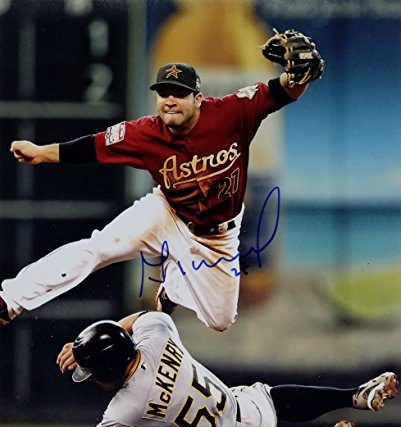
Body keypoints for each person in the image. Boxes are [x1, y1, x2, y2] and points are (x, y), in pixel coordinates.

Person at [0, 29, 324, 332]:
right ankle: (10, 300)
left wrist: (299, 75)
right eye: (163, 93)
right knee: (99, 248)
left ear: (198, 98)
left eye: (179, 94)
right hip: (167, 213)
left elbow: (284, 90)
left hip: (217, 236)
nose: (170, 100)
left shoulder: (233, 112)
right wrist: (41, 152)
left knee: (220, 321)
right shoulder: (144, 132)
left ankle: (173, 289)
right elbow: (92, 146)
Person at [12, 311, 398, 427]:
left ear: (107, 371)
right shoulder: (157, 334)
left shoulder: (126, 409)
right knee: (270, 396)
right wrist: (87, 346)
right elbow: (137, 319)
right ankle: (354, 395)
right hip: (245, 410)